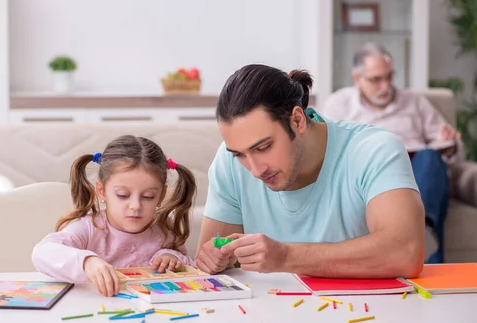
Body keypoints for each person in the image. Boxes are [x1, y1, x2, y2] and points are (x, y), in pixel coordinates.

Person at [194, 64, 426, 279]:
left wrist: (286, 257)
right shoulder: (228, 161)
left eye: (263, 147)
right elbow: (210, 264)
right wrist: (213, 259)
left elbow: (405, 252)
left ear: (297, 120)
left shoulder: (373, 149)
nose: (255, 170)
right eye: (239, 154)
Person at [320, 42, 460, 264]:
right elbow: (325, 149)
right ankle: (414, 234)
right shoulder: (339, 104)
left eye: (389, 77)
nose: (385, 86)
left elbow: (444, 142)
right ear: (357, 79)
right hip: (368, 174)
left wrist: (449, 141)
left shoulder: (414, 101)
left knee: (430, 158)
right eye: (376, 80)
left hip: (416, 173)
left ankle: (420, 228)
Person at [32, 135, 197, 297]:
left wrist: (173, 258)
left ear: (161, 196)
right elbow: (42, 253)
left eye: (148, 196)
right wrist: (87, 262)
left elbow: (190, 268)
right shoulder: (89, 228)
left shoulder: (164, 231)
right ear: (102, 191)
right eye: (123, 195)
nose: (136, 206)